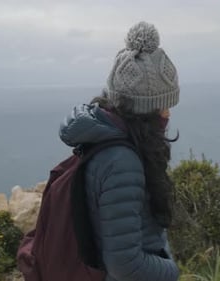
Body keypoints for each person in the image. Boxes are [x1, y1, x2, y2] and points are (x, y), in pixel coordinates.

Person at [59, 22, 180, 281]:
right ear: (142, 111)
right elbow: (125, 266)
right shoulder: (122, 162)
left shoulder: (111, 138)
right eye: (162, 106)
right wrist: (172, 271)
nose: (168, 113)